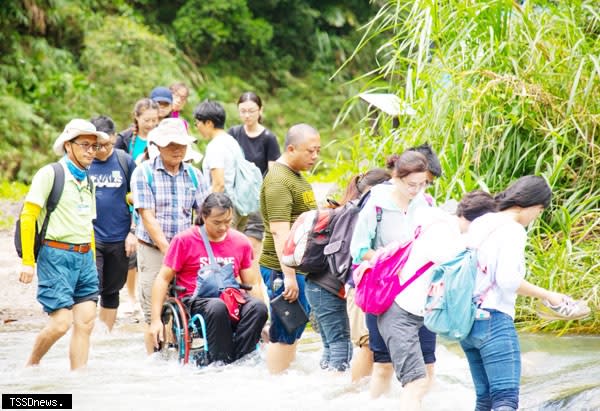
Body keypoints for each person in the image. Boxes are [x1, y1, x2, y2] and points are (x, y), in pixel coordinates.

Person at [461, 175, 589, 411]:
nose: (537, 216)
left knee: (485, 399)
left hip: (467, 321)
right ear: (531, 204)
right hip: (494, 320)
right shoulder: (513, 230)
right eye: (540, 210)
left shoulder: (482, 222)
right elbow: (507, 280)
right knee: (505, 401)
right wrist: (548, 295)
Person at [377, 190, 497, 410]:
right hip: (400, 312)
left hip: (418, 314)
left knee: (424, 378)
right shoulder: (443, 233)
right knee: (415, 383)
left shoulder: (445, 227)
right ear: (480, 221)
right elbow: (463, 267)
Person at [18, 119, 109, 369]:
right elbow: (28, 216)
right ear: (68, 146)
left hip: (84, 258)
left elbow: (87, 223)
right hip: (55, 255)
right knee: (61, 324)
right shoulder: (51, 174)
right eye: (85, 145)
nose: (91, 151)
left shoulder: (88, 180)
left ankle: (77, 383)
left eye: (94, 146)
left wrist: (90, 260)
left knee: (86, 322)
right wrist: (28, 262)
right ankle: (31, 365)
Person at [149, 193, 268, 364]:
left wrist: (263, 324)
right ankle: (220, 361)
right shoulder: (184, 240)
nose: (223, 227)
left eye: (228, 222)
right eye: (217, 222)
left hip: (231, 298)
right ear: (204, 216)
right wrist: (155, 320)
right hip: (197, 301)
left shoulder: (240, 241)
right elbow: (162, 279)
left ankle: (240, 359)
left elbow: (253, 283)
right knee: (217, 307)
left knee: (258, 308)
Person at [349, 150, 431, 397]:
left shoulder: (426, 204)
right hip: (384, 292)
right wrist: (392, 260)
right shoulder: (376, 204)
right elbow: (358, 250)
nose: (415, 190)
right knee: (383, 363)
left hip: (418, 291)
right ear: (396, 177)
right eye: (410, 184)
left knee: (428, 363)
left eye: (422, 184)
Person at [131, 117, 208, 354]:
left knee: (185, 306)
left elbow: (204, 215)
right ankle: (155, 362)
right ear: (158, 146)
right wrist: (169, 250)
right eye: (170, 144)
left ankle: (179, 356)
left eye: (181, 145)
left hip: (186, 250)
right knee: (152, 312)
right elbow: (147, 217)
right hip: (154, 249)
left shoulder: (194, 175)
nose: (176, 149)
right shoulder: (144, 173)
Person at [260, 123, 321, 374]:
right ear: (291, 148)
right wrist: (289, 276)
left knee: (294, 328)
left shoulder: (295, 176)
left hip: (298, 268)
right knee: (285, 329)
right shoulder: (278, 180)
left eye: (318, 150)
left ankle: (285, 383)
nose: (315, 156)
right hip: (281, 269)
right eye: (310, 151)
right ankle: (275, 387)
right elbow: (279, 231)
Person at [88, 115, 137, 330]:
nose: (103, 150)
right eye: (98, 146)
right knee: (90, 288)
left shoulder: (125, 161)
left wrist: (133, 231)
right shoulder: (83, 163)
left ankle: (104, 335)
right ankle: (85, 335)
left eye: (108, 144)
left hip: (120, 237)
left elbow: (139, 199)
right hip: (91, 236)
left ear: (115, 138)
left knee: (112, 290)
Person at [228, 92, 281, 266]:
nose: (247, 115)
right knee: (229, 248)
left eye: (251, 111)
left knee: (251, 251)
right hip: (235, 200)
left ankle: (252, 288)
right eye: (243, 111)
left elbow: (273, 171)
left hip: (256, 201)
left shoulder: (268, 138)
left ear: (260, 110)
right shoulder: (233, 134)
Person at [194, 100, 248, 229]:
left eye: (197, 124)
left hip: (223, 209)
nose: (197, 128)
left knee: (217, 248)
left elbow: (218, 183)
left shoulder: (216, 146)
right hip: (239, 206)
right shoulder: (231, 141)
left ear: (208, 123)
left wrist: (205, 212)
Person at [115, 98, 160, 163]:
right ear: (136, 116)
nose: (150, 124)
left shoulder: (162, 138)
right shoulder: (123, 138)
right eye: (146, 120)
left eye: (154, 120)